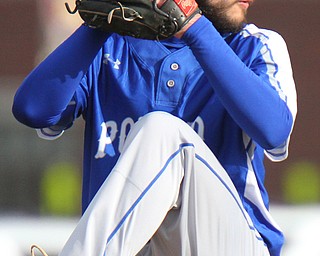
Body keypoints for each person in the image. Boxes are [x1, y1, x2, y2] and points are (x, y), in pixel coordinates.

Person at [13, 0, 297, 255]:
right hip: (135, 249)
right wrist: (100, 24)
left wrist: (193, 27)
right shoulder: (109, 48)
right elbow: (32, 110)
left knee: (162, 131)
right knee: (160, 131)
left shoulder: (254, 46)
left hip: (230, 244)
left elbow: (274, 131)